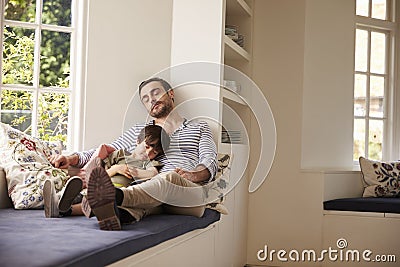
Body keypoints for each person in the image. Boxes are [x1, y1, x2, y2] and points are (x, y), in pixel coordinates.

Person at [49, 77, 218, 230]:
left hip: (185, 194)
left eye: (155, 93)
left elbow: (210, 160)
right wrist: (71, 158)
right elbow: (108, 149)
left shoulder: (199, 128)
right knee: (135, 206)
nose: (151, 99)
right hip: (150, 195)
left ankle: (115, 196)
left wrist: (192, 175)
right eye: (145, 99)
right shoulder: (140, 132)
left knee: (168, 178)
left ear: (171, 94)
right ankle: (104, 211)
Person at [43, 124, 170, 218]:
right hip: (101, 184)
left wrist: (136, 172)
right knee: (84, 195)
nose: (148, 153)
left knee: (96, 202)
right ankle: (58, 201)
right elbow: (103, 173)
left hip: (119, 192)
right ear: (137, 141)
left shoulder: (149, 163)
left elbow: (153, 174)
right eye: (147, 147)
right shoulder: (120, 155)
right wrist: (116, 169)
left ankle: (64, 210)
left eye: (155, 152)